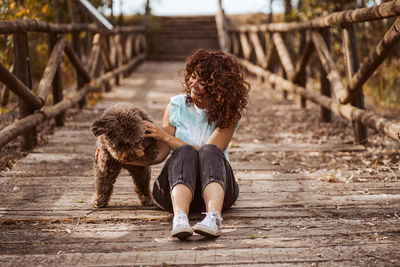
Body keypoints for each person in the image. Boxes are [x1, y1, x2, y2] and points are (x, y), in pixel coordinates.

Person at [124, 49, 250, 239]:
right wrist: (120, 158)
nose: (193, 84)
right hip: (175, 189)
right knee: (183, 153)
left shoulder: (229, 113)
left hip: (218, 189)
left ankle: (213, 218)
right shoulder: (176, 106)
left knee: (208, 150)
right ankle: (180, 218)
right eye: (193, 77)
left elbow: (207, 154)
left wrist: (166, 137)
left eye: (203, 82)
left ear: (219, 88)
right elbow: (158, 155)